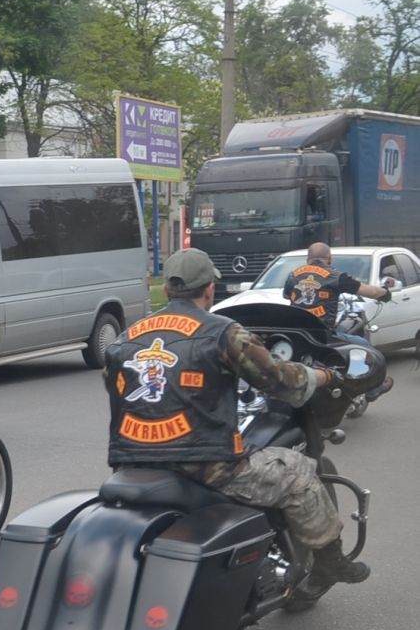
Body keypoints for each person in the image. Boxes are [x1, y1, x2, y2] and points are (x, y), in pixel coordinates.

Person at [105, 248, 368, 610]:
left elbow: (119, 393)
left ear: (166, 290)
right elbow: (282, 381)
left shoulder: (125, 338)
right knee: (298, 472)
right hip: (206, 466)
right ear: (209, 289)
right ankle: (329, 564)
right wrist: (322, 375)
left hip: (131, 465)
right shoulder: (223, 333)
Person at [281, 242, 395, 399]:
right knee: (362, 347)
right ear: (329, 259)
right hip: (323, 335)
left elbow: (286, 295)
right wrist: (385, 293)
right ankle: (372, 388)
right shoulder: (336, 277)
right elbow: (371, 292)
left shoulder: (293, 275)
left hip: (296, 334)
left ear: (308, 259)